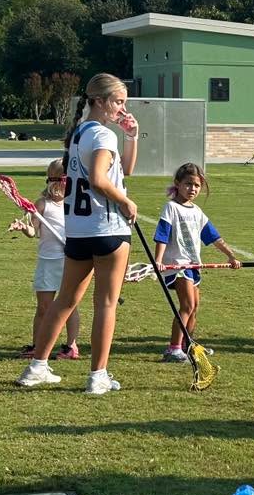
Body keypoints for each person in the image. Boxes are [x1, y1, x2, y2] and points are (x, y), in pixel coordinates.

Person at [17, 73, 138, 394]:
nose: (123, 109)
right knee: (106, 304)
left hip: (79, 232)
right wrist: (125, 200)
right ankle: (98, 375)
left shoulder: (79, 134)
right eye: (118, 101)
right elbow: (100, 179)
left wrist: (132, 137)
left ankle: (37, 367)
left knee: (65, 301)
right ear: (99, 101)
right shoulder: (102, 136)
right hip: (108, 229)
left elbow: (123, 171)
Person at [151, 162, 241, 362]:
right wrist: (158, 261)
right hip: (178, 264)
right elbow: (162, 235)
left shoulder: (197, 211)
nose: (192, 189)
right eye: (188, 184)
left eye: (197, 186)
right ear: (178, 183)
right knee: (187, 305)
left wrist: (231, 255)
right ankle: (173, 349)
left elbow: (213, 237)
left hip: (193, 265)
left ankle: (188, 344)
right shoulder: (171, 207)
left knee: (195, 307)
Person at [12, 159, 80, 361]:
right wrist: (23, 227)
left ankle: (71, 346)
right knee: (43, 307)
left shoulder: (75, 202)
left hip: (69, 260)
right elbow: (34, 231)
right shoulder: (42, 204)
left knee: (70, 306)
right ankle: (37, 345)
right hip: (47, 261)